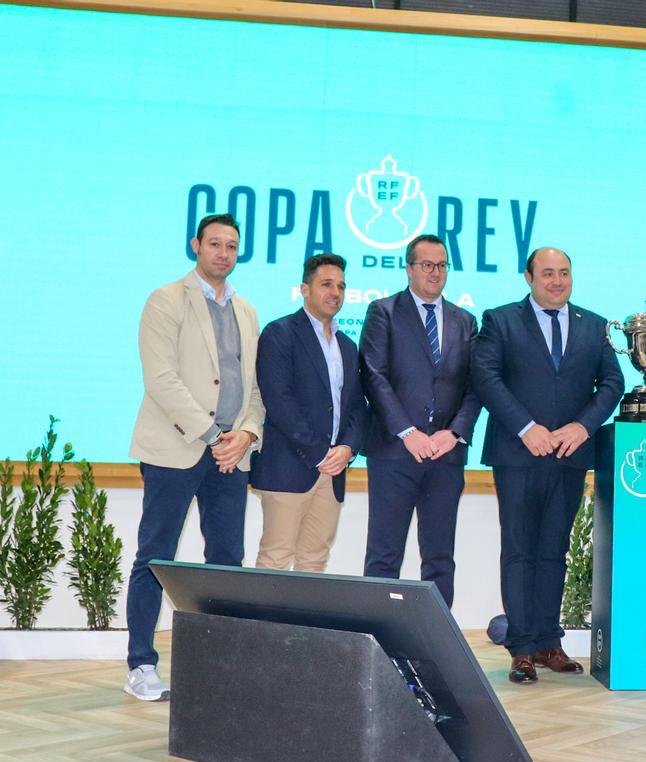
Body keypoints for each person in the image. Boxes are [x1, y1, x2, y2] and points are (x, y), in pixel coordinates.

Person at [125, 213, 265, 701]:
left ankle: (219, 662)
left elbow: (255, 387)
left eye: (231, 246)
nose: (223, 253)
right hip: (176, 448)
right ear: (195, 246)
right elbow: (161, 379)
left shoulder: (247, 310)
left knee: (226, 562)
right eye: (214, 244)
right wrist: (213, 434)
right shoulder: (166, 300)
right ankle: (140, 664)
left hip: (230, 456)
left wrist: (244, 434)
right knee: (156, 556)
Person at [472, 246, 623, 685]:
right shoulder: (499, 320)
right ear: (529, 277)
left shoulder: (593, 325)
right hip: (518, 454)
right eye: (547, 274)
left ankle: (547, 643)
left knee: (553, 550)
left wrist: (583, 426)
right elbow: (486, 378)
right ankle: (521, 647)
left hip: (570, 454)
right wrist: (525, 427)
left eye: (564, 274)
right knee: (520, 550)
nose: (556, 281)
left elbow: (612, 382)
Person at [359, 234, 481, 608]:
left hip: (445, 457)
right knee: (384, 556)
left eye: (442, 265)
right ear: (409, 268)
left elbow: (477, 386)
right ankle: (377, 640)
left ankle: (439, 647)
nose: (435, 272)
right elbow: (373, 375)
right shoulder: (384, 312)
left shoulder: (465, 320)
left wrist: (456, 433)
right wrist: (408, 431)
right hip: (395, 454)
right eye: (427, 265)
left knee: (440, 559)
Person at [250, 253, 368, 573]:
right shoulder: (280, 333)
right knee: (275, 557)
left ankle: (302, 627)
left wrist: (347, 449)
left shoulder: (346, 345)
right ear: (304, 289)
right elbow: (279, 399)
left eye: (341, 286)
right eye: (326, 284)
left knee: (314, 560)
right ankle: (262, 627)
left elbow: (357, 404)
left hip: (333, 471)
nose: (335, 293)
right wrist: (320, 451)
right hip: (289, 466)